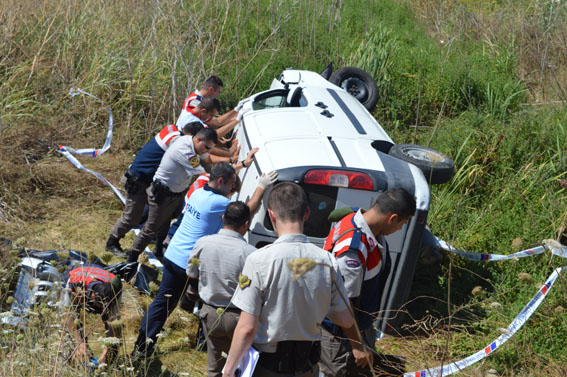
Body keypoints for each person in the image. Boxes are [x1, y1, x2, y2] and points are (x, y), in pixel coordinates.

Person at [223, 182, 372, 377]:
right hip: (307, 365)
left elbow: (247, 328)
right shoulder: (328, 261)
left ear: (271, 215)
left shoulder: (259, 260)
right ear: (307, 214)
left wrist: (228, 371)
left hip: (267, 367)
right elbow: (344, 318)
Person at [131, 162, 278, 359]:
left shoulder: (200, 193)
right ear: (220, 181)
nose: (233, 189)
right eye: (231, 184)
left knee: (163, 303)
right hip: (189, 261)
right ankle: (199, 341)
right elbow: (246, 211)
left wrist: (239, 169)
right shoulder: (218, 203)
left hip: (174, 254)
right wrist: (262, 186)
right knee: (208, 298)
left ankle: (143, 346)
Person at [319, 188, 416, 377]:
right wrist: (357, 346)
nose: (399, 229)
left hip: (356, 329)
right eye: (402, 224)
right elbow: (344, 304)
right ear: (392, 218)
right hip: (340, 336)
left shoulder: (357, 217)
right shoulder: (353, 249)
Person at [105, 121, 205, 256]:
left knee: (164, 218)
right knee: (132, 217)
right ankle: (112, 242)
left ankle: (158, 248)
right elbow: (198, 168)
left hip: (147, 179)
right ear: (191, 136)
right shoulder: (179, 142)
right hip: (139, 179)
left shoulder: (173, 130)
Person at [127, 126, 218, 264]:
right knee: (150, 228)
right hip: (162, 193)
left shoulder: (191, 143)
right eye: (206, 147)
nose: (207, 151)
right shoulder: (186, 150)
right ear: (198, 139)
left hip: (175, 192)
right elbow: (202, 174)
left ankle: (158, 250)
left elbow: (205, 165)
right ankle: (131, 258)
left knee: (165, 222)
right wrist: (236, 167)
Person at [188, 201, 256, 377]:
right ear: (246, 224)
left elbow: (192, 275)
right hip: (240, 318)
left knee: (215, 367)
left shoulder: (203, 243)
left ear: (223, 217)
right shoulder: (250, 253)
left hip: (210, 313)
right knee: (241, 368)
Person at [62, 264, 122, 368]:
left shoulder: (115, 288)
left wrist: (106, 353)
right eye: (100, 305)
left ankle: (108, 364)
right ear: (93, 295)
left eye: (106, 306)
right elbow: (68, 315)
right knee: (70, 328)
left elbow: (114, 323)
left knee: (115, 330)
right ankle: (74, 359)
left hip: (105, 280)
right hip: (80, 281)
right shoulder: (75, 283)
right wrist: (79, 343)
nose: (103, 308)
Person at [177, 75, 238, 139]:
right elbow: (217, 122)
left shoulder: (197, 98)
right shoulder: (195, 101)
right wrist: (237, 112)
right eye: (218, 92)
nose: (218, 95)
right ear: (211, 89)